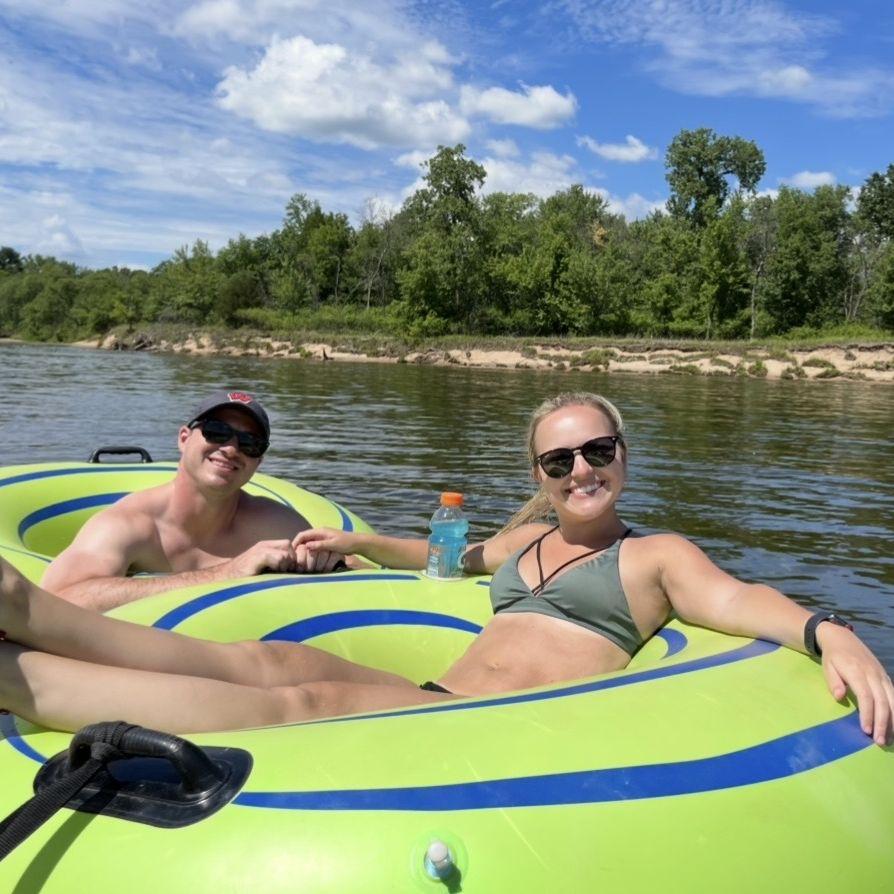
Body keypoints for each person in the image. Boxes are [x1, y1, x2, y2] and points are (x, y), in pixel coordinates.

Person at [1, 392, 891, 744]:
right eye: (559, 460)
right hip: (435, 693)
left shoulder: (656, 556)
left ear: (623, 455)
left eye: (598, 451)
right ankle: (28, 611)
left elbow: (742, 598)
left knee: (303, 702)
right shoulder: (526, 545)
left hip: (486, 726)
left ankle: (19, 680)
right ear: (539, 474)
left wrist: (830, 631)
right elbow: (451, 558)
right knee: (273, 659)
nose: (581, 471)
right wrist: (358, 544)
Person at [41, 389, 348, 611]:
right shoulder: (128, 525)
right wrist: (227, 573)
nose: (231, 449)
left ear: (258, 462)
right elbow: (57, 601)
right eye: (217, 432)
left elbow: (352, 572)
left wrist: (325, 559)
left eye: (249, 443)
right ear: (184, 438)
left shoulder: (276, 525)